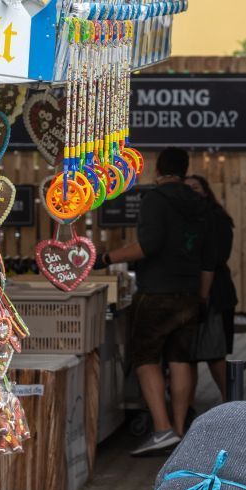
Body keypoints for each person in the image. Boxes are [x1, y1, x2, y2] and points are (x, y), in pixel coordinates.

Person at [101, 148, 210, 456]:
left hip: (157, 291)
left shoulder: (156, 200)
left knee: (145, 357)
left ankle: (162, 430)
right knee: (180, 359)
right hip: (188, 289)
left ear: (158, 170)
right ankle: (179, 430)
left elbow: (148, 245)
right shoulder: (198, 203)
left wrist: (107, 258)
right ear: (185, 170)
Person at [185, 175, 238, 398]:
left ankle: (233, 401)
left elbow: (215, 257)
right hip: (200, 292)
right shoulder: (190, 217)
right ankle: (188, 405)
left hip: (213, 294)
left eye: (196, 187)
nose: (192, 192)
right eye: (187, 189)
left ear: (206, 191)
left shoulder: (215, 218)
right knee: (189, 356)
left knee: (214, 353)